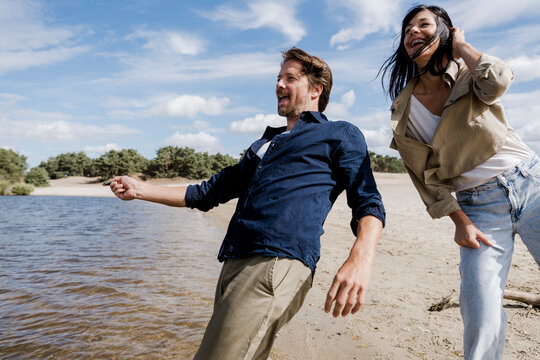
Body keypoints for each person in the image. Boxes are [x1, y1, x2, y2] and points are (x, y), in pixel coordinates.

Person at [108, 47, 385, 360]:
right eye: (278, 78)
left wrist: (360, 258)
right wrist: (141, 190)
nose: (279, 85)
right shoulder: (265, 145)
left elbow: (368, 200)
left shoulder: (339, 133)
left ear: (316, 89)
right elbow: (206, 193)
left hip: (276, 262)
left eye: (290, 78)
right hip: (234, 262)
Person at [380, 4, 540, 360]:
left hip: (531, 183)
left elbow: (499, 78)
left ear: (445, 32)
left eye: (423, 25)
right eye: (407, 29)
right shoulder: (403, 108)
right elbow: (426, 179)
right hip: (478, 209)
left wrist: (463, 47)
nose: (412, 32)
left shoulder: (470, 73)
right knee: (479, 310)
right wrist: (460, 222)